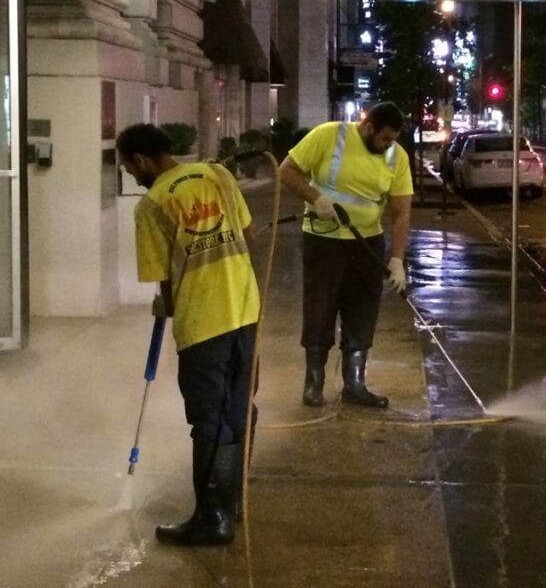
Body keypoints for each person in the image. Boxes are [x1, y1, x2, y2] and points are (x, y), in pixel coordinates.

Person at [116, 123, 260, 547]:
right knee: (238, 409)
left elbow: (165, 285)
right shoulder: (218, 174)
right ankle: (232, 502)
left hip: (203, 325)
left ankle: (212, 518)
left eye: (129, 167)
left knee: (209, 419)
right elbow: (248, 236)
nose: (131, 174)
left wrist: (166, 302)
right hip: (246, 310)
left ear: (141, 160)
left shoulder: (152, 205)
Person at [279, 101, 413, 409]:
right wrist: (317, 199)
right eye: (384, 139)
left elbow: (401, 211)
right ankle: (314, 383)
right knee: (319, 308)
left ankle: (354, 384)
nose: (388, 145)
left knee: (362, 310)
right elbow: (287, 171)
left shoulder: (396, 157)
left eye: (392, 140)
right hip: (323, 240)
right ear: (368, 126)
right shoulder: (329, 135)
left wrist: (396, 260)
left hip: (367, 243)